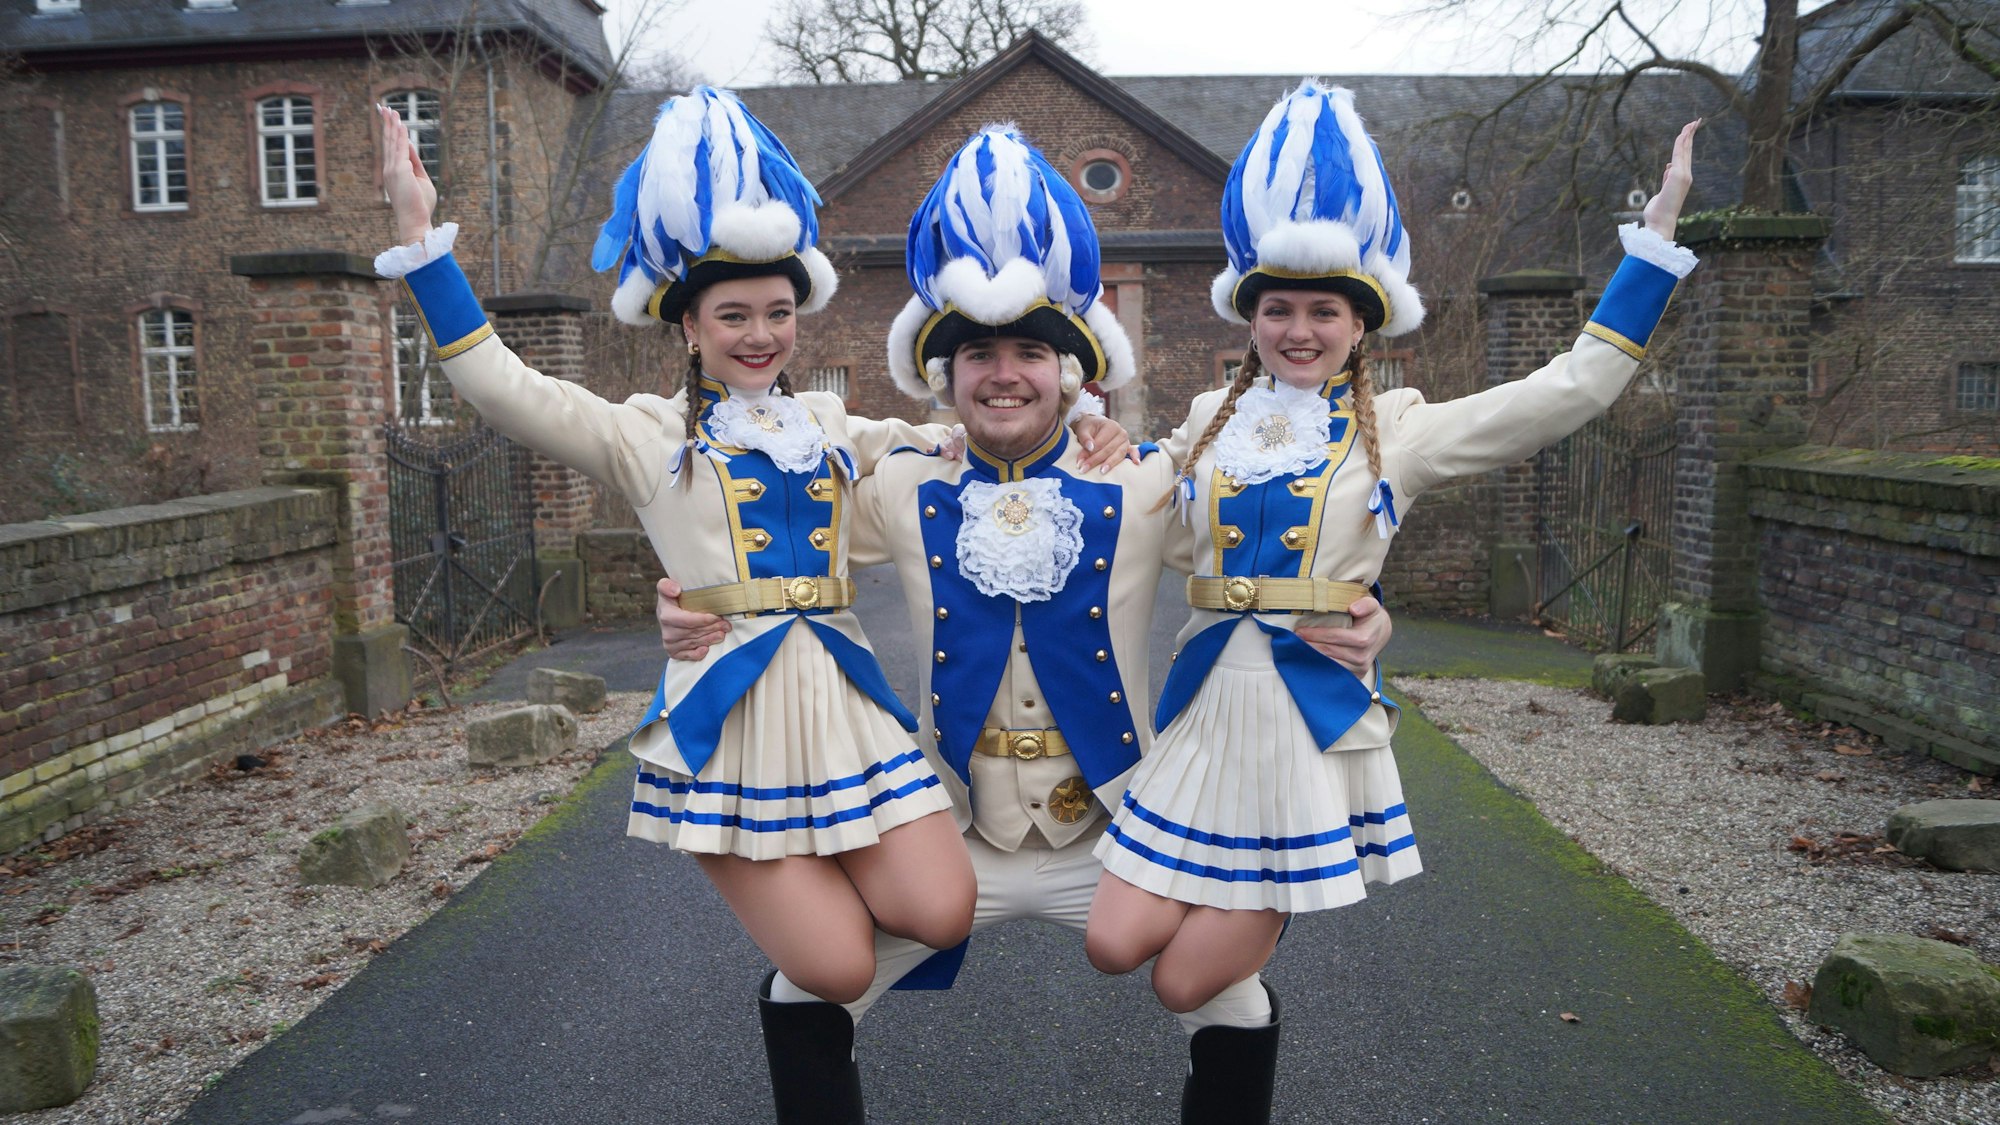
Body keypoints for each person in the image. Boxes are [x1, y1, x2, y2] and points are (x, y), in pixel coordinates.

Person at [656, 124, 1395, 1124]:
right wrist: (693, 597)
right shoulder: (901, 484)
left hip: (1113, 828)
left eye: (1030, 356)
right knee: (815, 985)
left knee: (1217, 994)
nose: (1005, 375)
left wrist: (1362, 614)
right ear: (945, 381)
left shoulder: (1135, 479)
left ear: (1072, 374)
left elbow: (1260, 551)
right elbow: (785, 545)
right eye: (978, 358)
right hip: (953, 828)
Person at [370, 91, 1132, 1045]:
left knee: (941, 914)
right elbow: (506, 387)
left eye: (778, 311)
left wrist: (1093, 415)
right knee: (837, 969)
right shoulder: (647, 434)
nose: (761, 334)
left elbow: (969, 440)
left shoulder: (828, 426)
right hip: (734, 708)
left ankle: (808, 875)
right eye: (734, 314)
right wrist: (422, 244)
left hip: (848, 707)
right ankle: (751, 861)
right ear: (689, 326)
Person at [1082, 79, 1703, 1080]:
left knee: (1181, 985)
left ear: (1360, 322)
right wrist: (1086, 427)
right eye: (1276, 307)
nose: (1297, 328)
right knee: (1112, 944)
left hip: (1305, 718)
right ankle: (1247, 907)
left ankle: (1268, 894)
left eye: (1321, 309)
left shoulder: (1401, 427)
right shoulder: (1201, 421)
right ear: (1247, 317)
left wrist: (1653, 242)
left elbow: (1566, 391)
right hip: (1204, 709)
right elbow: (1123, 522)